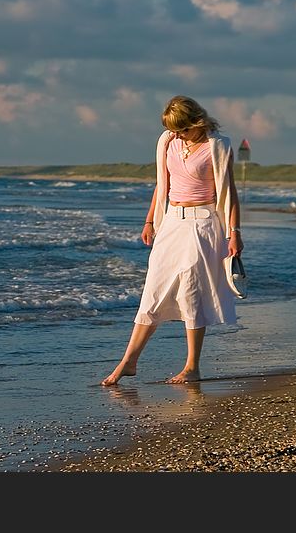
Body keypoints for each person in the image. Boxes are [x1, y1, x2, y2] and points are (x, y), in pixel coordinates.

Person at [101, 95, 244, 385]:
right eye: (173, 129)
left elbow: (229, 192)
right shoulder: (167, 141)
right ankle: (129, 362)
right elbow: (161, 183)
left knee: (191, 290)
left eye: (182, 129)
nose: (177, 134)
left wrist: (234, 233)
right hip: (171, 223)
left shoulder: (217, 146)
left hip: (203, 224)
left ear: (196, 122)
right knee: (153, 289)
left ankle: (192, 366)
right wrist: (150, 220)